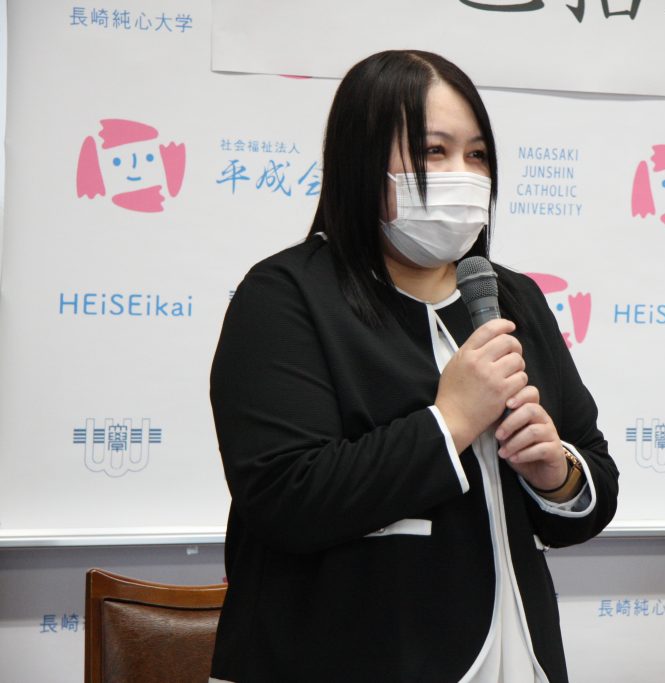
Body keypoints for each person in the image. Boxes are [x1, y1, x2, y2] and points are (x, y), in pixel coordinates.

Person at [209, 49, 618, 683]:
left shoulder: (514, 298)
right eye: (433, 151)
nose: (464, 174)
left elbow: (595, 478)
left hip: (519, 656)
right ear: (361, 160)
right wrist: (449, 422)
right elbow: (284, 497)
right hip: (349, 657)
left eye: (477, 155)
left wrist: (558, 475)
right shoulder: (285, 296)